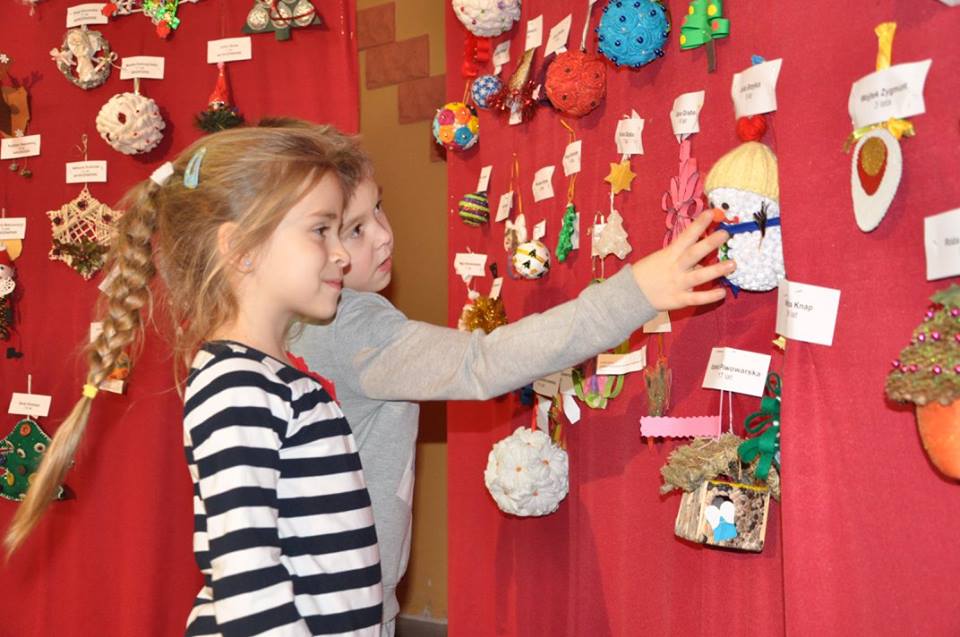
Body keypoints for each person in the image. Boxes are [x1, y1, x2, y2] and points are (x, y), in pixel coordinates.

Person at [293, 173, 733, 636]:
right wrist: (635, 293)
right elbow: (483, 362)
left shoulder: (299, 320)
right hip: (338, 609)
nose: (384, 234)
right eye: (356, 229)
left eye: (379, 208)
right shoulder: (354, 326)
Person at [6, 125, 384, 636]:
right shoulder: (237, 387)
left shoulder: (269, 376)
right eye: (321, 230)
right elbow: (248, 578)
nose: (341, 253)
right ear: (242, 248)